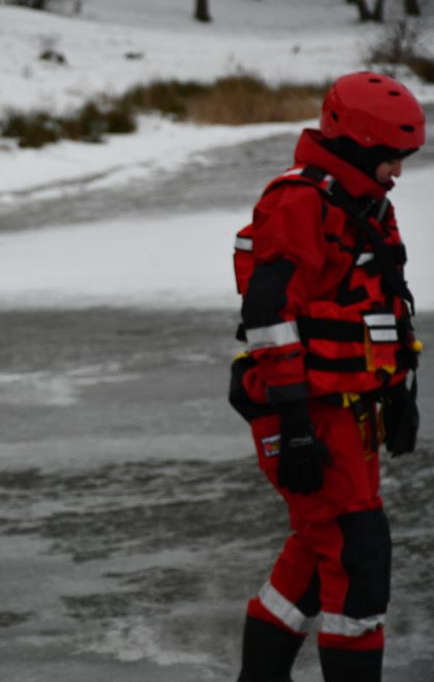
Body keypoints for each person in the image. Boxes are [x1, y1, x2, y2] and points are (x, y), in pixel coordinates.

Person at [229, 71, 425, 682]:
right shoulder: (299, 202)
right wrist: (293, 425)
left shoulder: (367, 205)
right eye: (390, 156)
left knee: (319, 554)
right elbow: (268, 317)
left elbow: (385, 304)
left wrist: (399, 391)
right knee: (357, 554)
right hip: (304, 412)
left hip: (352, 409)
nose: (398, 170)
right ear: (355, 143)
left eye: (405, 156)